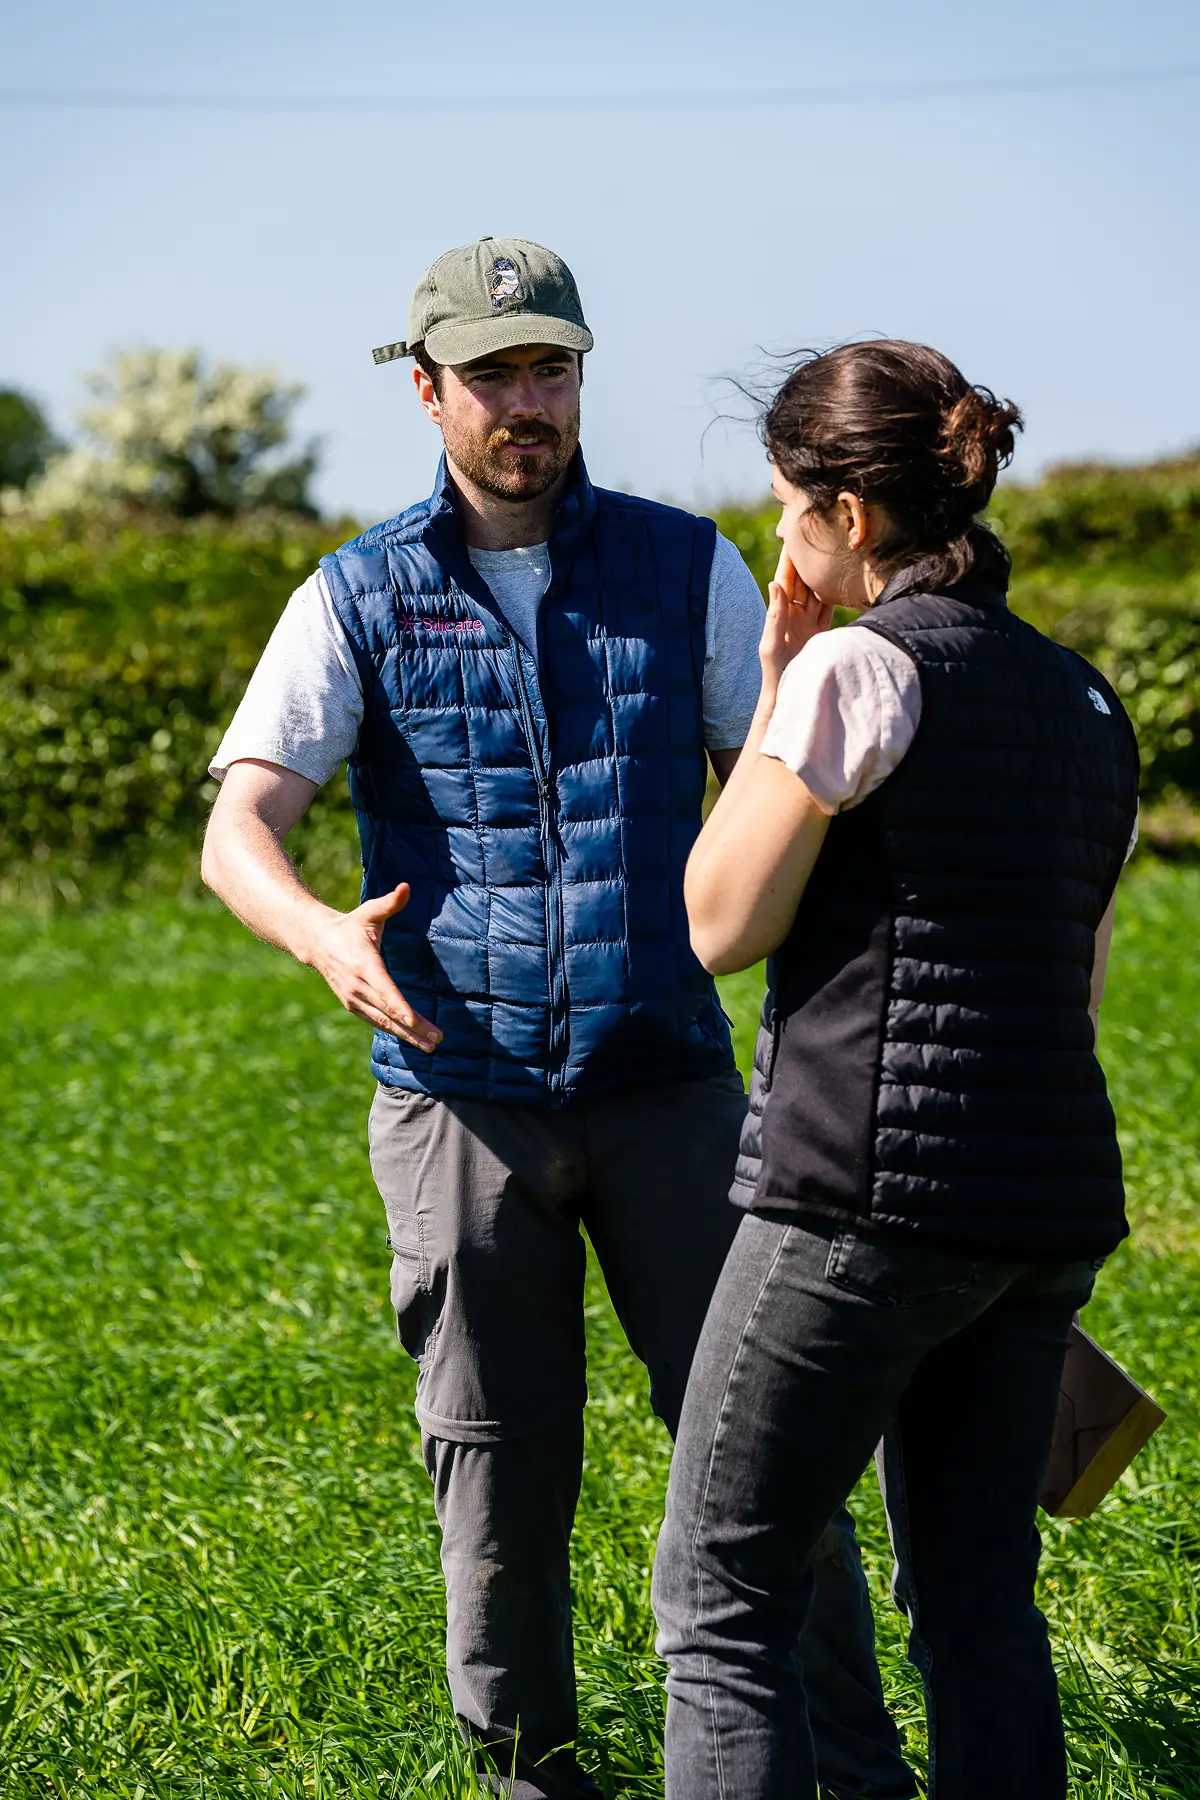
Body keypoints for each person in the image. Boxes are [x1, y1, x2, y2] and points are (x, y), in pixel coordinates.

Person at [201, 240, 917, 1800]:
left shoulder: (687, 568)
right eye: (494, 377)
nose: (529, 404)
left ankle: (852, 1775)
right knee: (495, 1470)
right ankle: (533, 1778)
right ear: (427, 391)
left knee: (767, 1457)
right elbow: (237, 827)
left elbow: (792, 787)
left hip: (671, 1081)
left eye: (554, 369)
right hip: (459, 1099)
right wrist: (319, 927)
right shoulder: (358, 593)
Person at [652, 339, 1141, 1800]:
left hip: (853, 1207)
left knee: (720, 1601)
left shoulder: (857, 669)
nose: (781, 542)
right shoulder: (1086, 702)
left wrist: (780, 680)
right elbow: (1083, 982)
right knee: (981, 1613)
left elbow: (718, 925)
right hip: (1040, 1214)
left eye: (788, 511)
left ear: (849, 519)